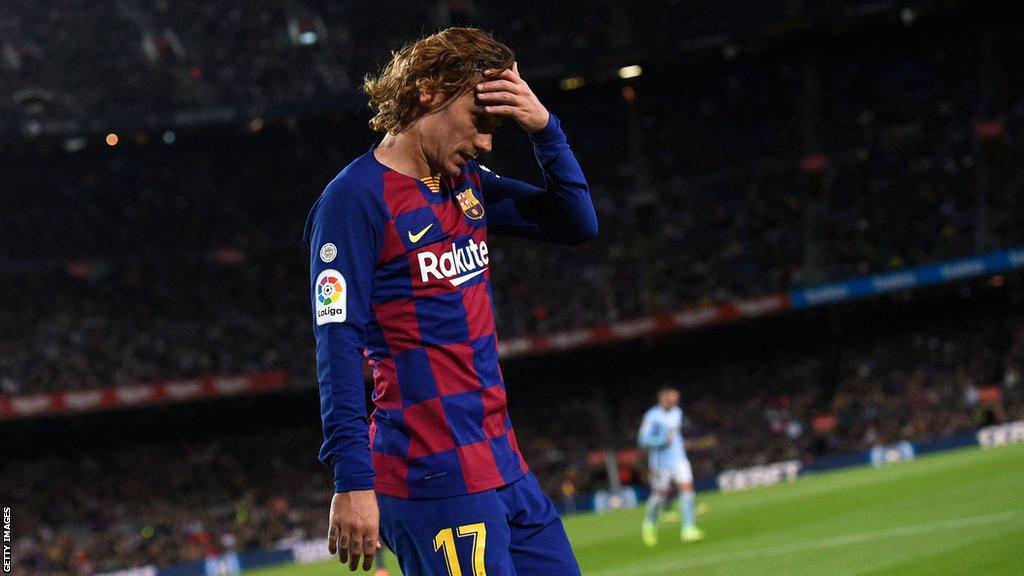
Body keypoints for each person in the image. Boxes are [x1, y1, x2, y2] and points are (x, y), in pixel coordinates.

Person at [304, 27, 597, 575]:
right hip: (432, 479)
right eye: (480, 122)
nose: (486, 142)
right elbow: (336, 346)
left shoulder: (466, 183)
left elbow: (576, 224)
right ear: (430, 91)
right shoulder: (352, 202)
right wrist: (352, 481)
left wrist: (546, 131)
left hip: (504, 463)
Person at [638, 387, 705, 546]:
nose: (676, 400)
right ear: (663, 398)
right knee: (659, 496)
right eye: (673, 397)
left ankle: (688, 529)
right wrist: (661, 442)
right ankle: (649, 524)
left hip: (679, 460)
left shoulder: (677, 412)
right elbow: (643, 439)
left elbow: (676, 435)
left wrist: (682, 444)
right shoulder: (652, 416)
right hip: (660, 464)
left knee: (687, 489)